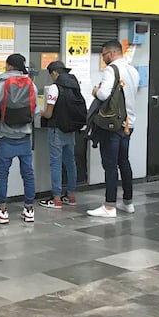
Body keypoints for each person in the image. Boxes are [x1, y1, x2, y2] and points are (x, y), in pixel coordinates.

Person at [87, 40, 140, 218]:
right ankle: (128, 202)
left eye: (103, 55)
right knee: (123, 162)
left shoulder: (112, 69)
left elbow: (104, 94)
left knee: (110, 165)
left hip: (112, 124)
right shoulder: (132, 70)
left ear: (110, 53)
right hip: (128, 123)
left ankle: (109, 206)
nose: (103, 58)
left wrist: (95, 91)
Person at [0, 53, 39, 224]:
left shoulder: (0, 86)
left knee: (2, 174)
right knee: (28, 174)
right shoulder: (30, 84)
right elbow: (35, 109)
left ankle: (2, 212)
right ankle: (29, 210)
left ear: (9, 66)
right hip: (25, 136)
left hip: (4, 136)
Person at [38, 60, 84, 210]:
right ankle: (70, 196)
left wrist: (41, 112)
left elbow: (49, 113)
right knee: (70, 163)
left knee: (56, 164)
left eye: (51, 74)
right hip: (70, 130)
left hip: (57, 130)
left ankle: (56, 198)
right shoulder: (74, 85)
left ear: (55, 73)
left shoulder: (54, 88)